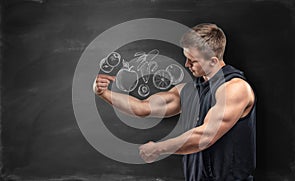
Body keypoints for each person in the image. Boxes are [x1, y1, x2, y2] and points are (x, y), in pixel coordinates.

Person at [93, 23, 256, 181]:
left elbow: (206, 135)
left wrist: (160, 148)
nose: (186, 65)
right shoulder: (190, 90)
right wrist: (104, 93)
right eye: (186, 58)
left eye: (192, 61)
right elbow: (143, 107)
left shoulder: (235, 89)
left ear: (213, 61)